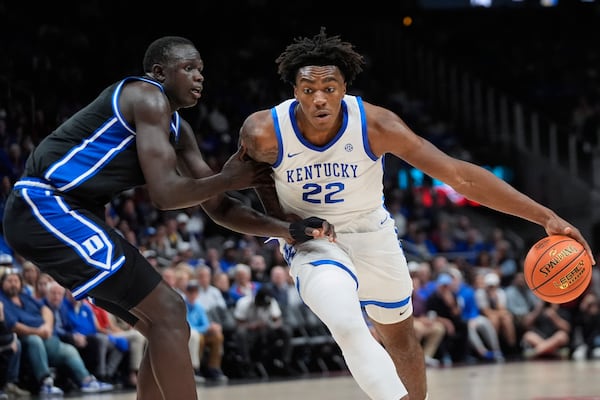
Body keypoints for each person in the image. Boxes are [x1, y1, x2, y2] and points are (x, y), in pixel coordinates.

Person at [237, 27, 595, 400]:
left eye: (330, 88)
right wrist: (285, 227)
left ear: (345, 88)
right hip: (313, 241)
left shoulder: (376, 125)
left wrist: (545, 217)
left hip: (372, 231)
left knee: (401, 337)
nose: (319, 100)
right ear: (295, 92)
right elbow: (237, 182)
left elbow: (459, 177)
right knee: (346, 324)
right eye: (309, 90)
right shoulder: (264, 131)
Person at [1, 36, 334, 400]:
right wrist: (228, 178)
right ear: (159, 73)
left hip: (67, 212)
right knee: (170, 312)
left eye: (201, 70)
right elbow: (164, 195)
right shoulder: (144, 96)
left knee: (163, 322)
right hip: (44, 203)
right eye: (188, 68)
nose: (199, 77)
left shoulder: (179, 131)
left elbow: (218, 207)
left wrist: (288, 230)